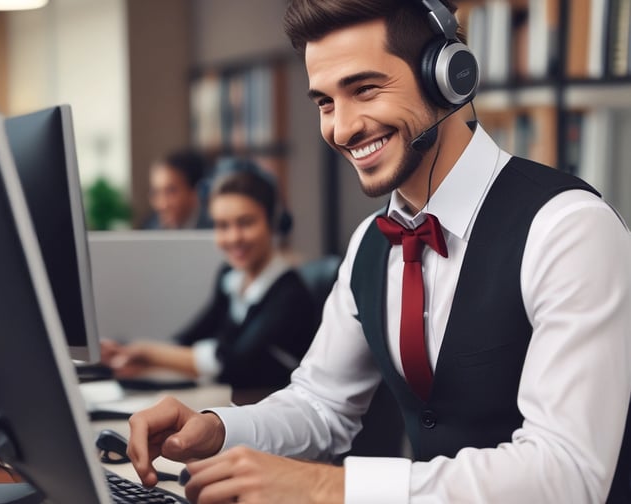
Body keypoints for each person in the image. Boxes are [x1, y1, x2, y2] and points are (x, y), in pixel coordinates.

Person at [126, 1, 631, 503]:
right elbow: (321, 405)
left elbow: (567, 474)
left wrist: (329, 486)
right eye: (325, 102)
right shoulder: (371, 241)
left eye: (364, 89)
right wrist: (217, 428)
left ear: (447, 76)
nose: (341, 129)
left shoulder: (568, 229)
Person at [103, 160, 318, 403]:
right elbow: (191, 336)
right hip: (235, 404)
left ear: (272, 223)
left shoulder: (290, 293)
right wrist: (132, 353)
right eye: (222, 225)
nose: (233, 237)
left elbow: (233, 362)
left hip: (275, 415)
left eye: (246, 222)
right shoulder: (230, 277)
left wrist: (151, 354)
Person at [141, 148, 212, 230]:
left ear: (194, 192)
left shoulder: (214, 229)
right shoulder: (150, 229)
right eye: (155, 192)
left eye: (171, 191)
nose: (162, 204)